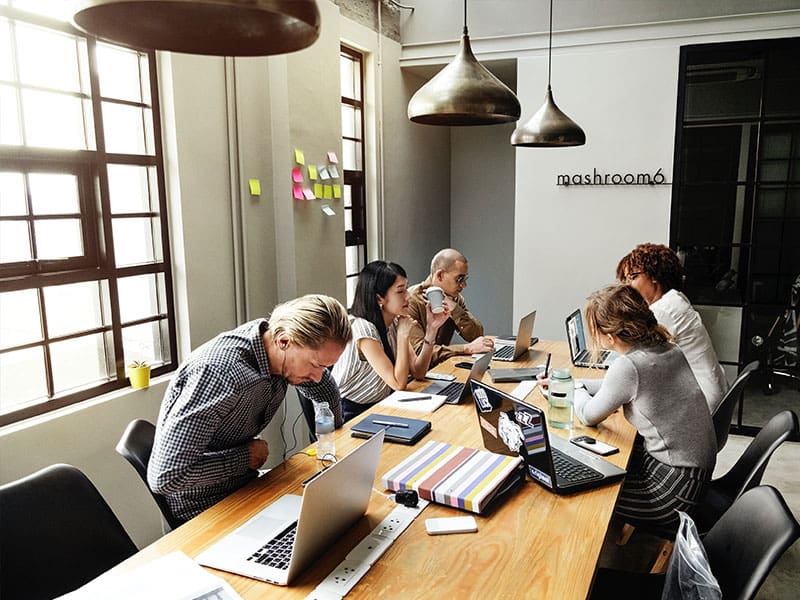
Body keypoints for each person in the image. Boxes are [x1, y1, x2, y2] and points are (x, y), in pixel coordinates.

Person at [148, 294, 351, 524]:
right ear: (284, 341)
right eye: (315, 365)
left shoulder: (274, 345)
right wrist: (245, 458)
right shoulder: (219, 375)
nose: (316, 377)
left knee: (334, 519)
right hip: (204, 508)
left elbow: (323, 386)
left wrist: (334, 433)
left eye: (325, 366)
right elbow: (166, 477)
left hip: (245, 484)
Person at [554, 285, 716, 532]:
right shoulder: (668, 348)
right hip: (694, 476)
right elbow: (614, 387)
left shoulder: (629, 367)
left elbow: (588, 416)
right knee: (594, 462)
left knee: (580, 490)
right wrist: (576, 384)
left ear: (610, 337)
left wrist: (571, 389)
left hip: (674, 493)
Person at [331, 260, 450, 422]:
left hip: (382, 403)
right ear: (379, 298)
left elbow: (418, 371)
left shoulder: (395, 321)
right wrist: (402, 336)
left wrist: (431, 330)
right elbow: (398, 384)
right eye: (400, 291)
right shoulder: (363, 330)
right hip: (351, 411)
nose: (408, 296)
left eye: (406, 288)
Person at [616, 243, 729, 413]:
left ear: (654, 276)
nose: (627, 286)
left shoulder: (664, 310)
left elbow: (633, 361)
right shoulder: (675, 299)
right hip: (708, 393)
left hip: (702, 405)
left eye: (632, 277)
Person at [407, 248, 494, 365]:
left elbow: (477, 336)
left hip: (440, 369)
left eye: (465, 279)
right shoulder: (411, 301)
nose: (464, 285)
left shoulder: (455, 298)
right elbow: (419, 352)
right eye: (459, 279)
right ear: (440, 275)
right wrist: (465, 349)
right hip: (414, 377)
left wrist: (455, 309)